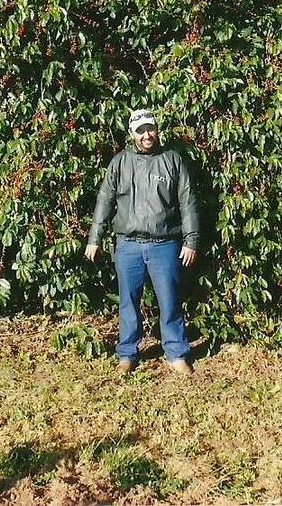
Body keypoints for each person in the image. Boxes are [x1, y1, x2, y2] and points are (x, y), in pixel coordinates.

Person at [85, 108, 199, 375]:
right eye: (141, 130)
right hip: (128, 246)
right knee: (128, 302)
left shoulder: (172, 160)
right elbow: (105, 201)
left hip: (164, 245)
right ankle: (127, 352)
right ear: (132, 133)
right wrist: (95, 238)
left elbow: (188, 202)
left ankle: (176, 353)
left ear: (157, 130)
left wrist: (191, 240)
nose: (147, 134)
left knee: (170, 301)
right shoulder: (119, 163)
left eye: (151, 128)